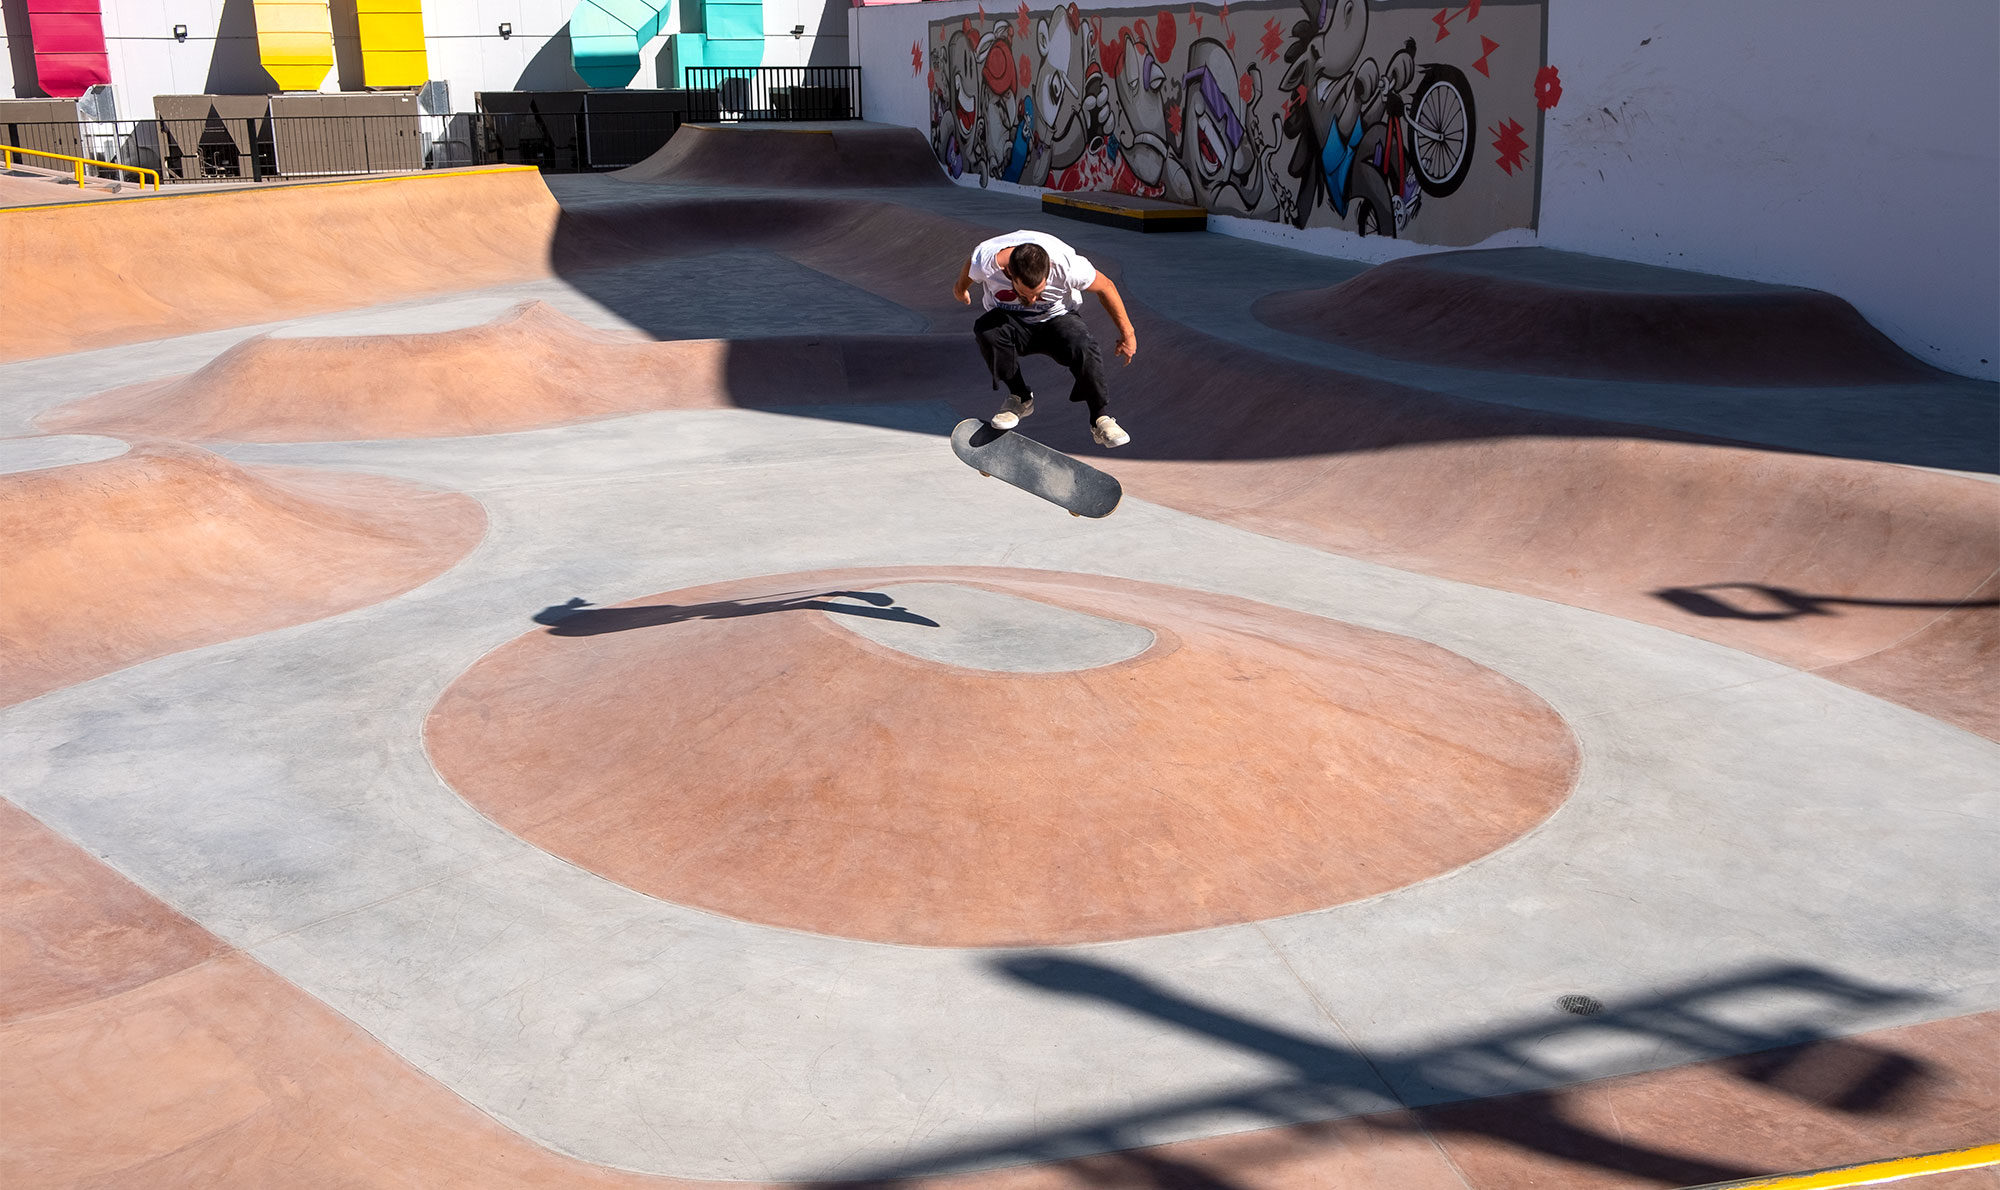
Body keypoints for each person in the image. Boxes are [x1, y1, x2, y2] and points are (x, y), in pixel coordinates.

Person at [953, 230, 1137, 447]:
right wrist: (960, 290)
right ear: (1010, 272)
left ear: (1048, 273)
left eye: (1038, 293)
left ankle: (1100, 418)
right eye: (1023, 293)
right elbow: (970, 267)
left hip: (1057, 321)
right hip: (1010, 323)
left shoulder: (1067, 266)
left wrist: (1128, 334)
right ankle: (1020, 397)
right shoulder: (987, 261)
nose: (1031, 300)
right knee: (985, 328)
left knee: (1084, 345)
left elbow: (1106, 287)